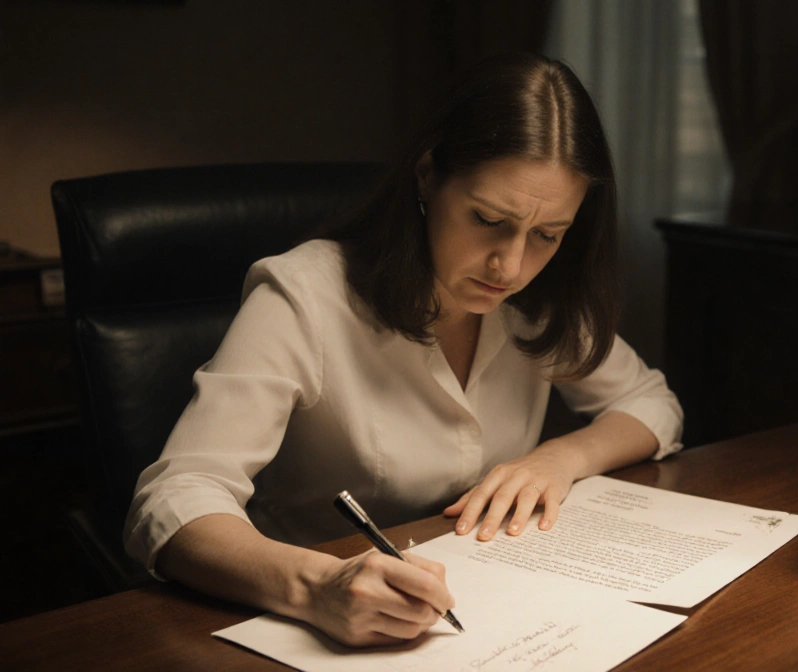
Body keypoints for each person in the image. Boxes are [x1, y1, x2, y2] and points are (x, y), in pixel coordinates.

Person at [123, 53, 683, 647]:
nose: (511, 266)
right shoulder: (304, 294)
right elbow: (174, 496)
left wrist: (557, 460)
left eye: (547, 236)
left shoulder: (537, 299)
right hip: (306, 625)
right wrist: (316, 585)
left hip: (491, 607)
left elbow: (652, 403)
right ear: (427, 177)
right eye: (489, 219)